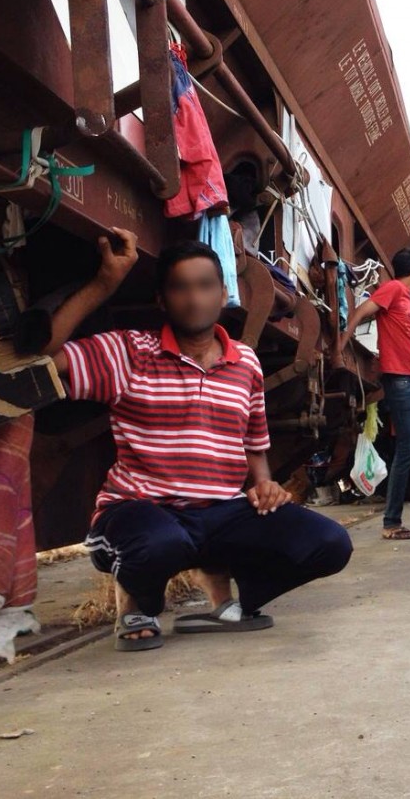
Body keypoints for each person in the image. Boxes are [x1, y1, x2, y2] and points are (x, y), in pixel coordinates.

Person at [43, 232, 353, 650]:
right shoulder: (130, 353)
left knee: (330, 544)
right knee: (161, 542)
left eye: (205, 286)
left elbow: (254, 441)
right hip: (142, 510)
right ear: (162, 299)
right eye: (181, 287)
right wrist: (104, 284)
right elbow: (45, 355)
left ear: (223, 293)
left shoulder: (245, 362)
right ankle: (140, 603)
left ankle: (236, 601)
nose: (194, 299)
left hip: (220, 515)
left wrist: (263, 484)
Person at [340, 248, 410, 541]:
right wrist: (344, 339)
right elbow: (363, 311)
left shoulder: (405, 297)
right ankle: (391, 522)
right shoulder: (394, 288)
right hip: (402, 381)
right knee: (409, 449)